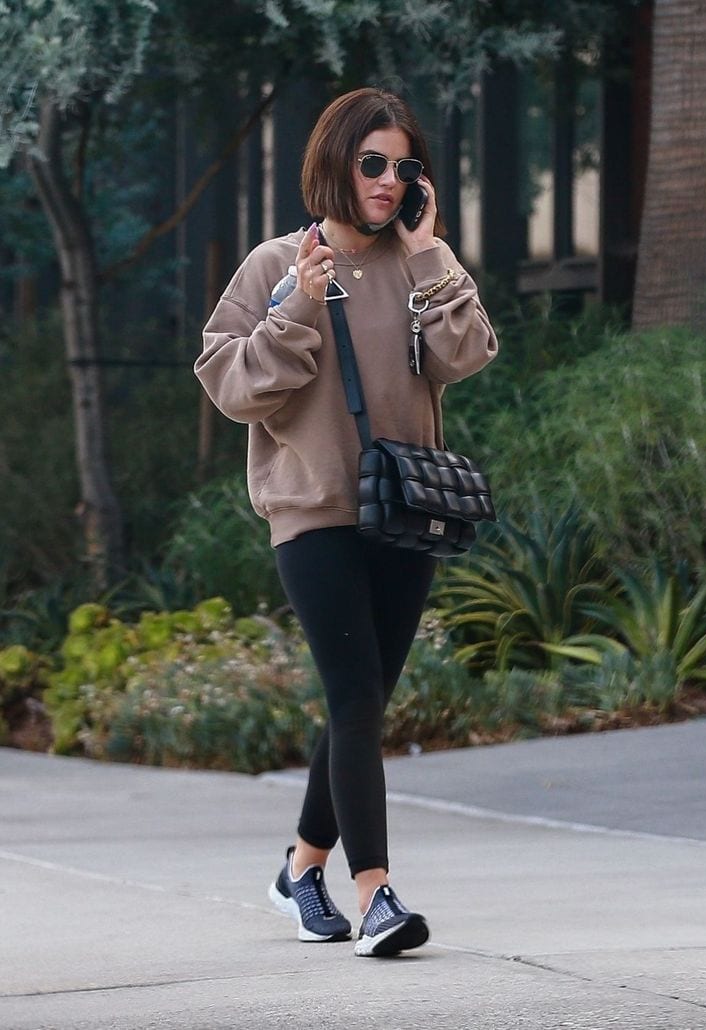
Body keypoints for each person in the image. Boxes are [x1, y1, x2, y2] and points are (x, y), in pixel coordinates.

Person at [195, 87, 498, 957]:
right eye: (373, 163)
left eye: (405, 166)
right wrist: (297, 303)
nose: (389, 179)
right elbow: (233, 386)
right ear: (336, 161)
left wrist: (431, 252)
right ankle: (376, 898)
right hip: (312, 509)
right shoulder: (274, 263)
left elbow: (466, 354)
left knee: (359, 702)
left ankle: (300, 869)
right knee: (358, 697)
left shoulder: (420, 261)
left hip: (407, 508)